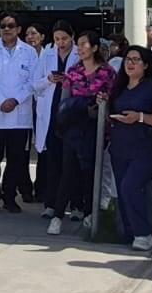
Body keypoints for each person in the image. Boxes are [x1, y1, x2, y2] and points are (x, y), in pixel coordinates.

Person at [47, 31, 115, 235]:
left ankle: (89, 213)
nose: (80, 48)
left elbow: (113, 99)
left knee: (90, 172)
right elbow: (64, 99)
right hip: (73, 127)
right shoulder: (73, 71)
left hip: (95, 127)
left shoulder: (107, 72)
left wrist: (103, 104)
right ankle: (58, 216)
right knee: (68, 170)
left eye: (84, 44)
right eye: (79, 44)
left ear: (94, 48)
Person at [107, 45, 152, 250]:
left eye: (135, 60)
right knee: (123, 189)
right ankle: (129, 231)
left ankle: (144, 233)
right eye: (127, 59)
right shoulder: (120, 87)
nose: (130, 63)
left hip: (145, 149)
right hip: (120, 147)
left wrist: (140, 117)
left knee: (130, 186)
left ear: (145, 64)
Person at [0, 12, 37, 214]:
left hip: (20, 116)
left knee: (16, 160)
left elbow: (33, 81)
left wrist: (15, 100)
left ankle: (10, 197)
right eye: (3, 25)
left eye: (10, 25)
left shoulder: (29, 52)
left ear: (18, 29)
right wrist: (2, 100)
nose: (6, 29)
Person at [31, 21, 77, 218]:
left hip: (72, 113)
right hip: (51, 113)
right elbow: (35, 83)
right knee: (53, 160)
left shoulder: (79, 53)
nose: (61, 43)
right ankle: (51, 204)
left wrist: (70, 80)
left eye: (65, 39)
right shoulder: (47, 55)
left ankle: (76, 205)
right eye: (57, 39)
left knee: (73, 160)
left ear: (72, 37)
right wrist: (49, 80)